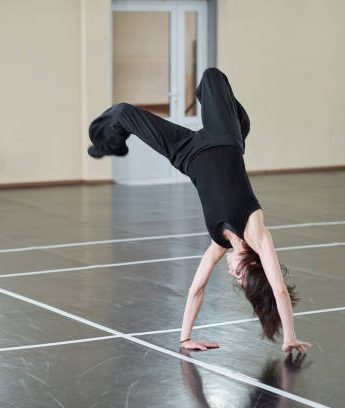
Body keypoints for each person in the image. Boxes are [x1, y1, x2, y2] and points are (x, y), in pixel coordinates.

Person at [87, 67, 311, 354]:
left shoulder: (219, 243)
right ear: (252, 265)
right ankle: (240, 124)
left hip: (189, 154)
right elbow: (279, 290)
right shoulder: (256, 232)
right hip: (225, 139)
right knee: (211, 76)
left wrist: (185, 338)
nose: (231, 273)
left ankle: (108, 144)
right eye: (239, 276)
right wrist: (289, 336)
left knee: (122, 113)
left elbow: (196, 289)